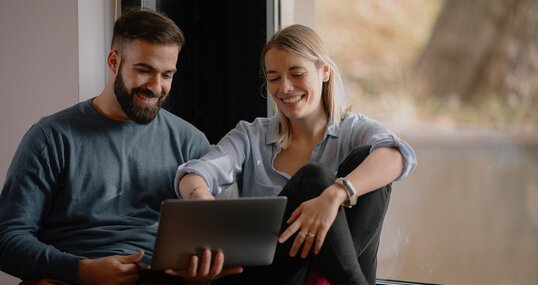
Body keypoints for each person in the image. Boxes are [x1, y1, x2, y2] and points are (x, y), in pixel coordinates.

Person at [0, 8, 240, 285]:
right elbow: (8, 239)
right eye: (144, 70)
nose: (156, 86)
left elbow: (203, 240)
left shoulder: (190, 140)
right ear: (114, 61)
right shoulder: (50, 137)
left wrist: (199, 273)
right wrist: (81, 271)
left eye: (167, 74)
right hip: (70, 276)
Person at [173, 24, 417, 285]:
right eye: (274, 77)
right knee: (313, 178)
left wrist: (335, 195)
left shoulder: (353, 129)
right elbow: (193, 174)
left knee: (367, 161)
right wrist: (203, 200)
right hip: (273, 275)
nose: (285, 88)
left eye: (296, 74)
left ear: (324, 72)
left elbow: (399, 155)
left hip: (334, 272)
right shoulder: (251, 135)